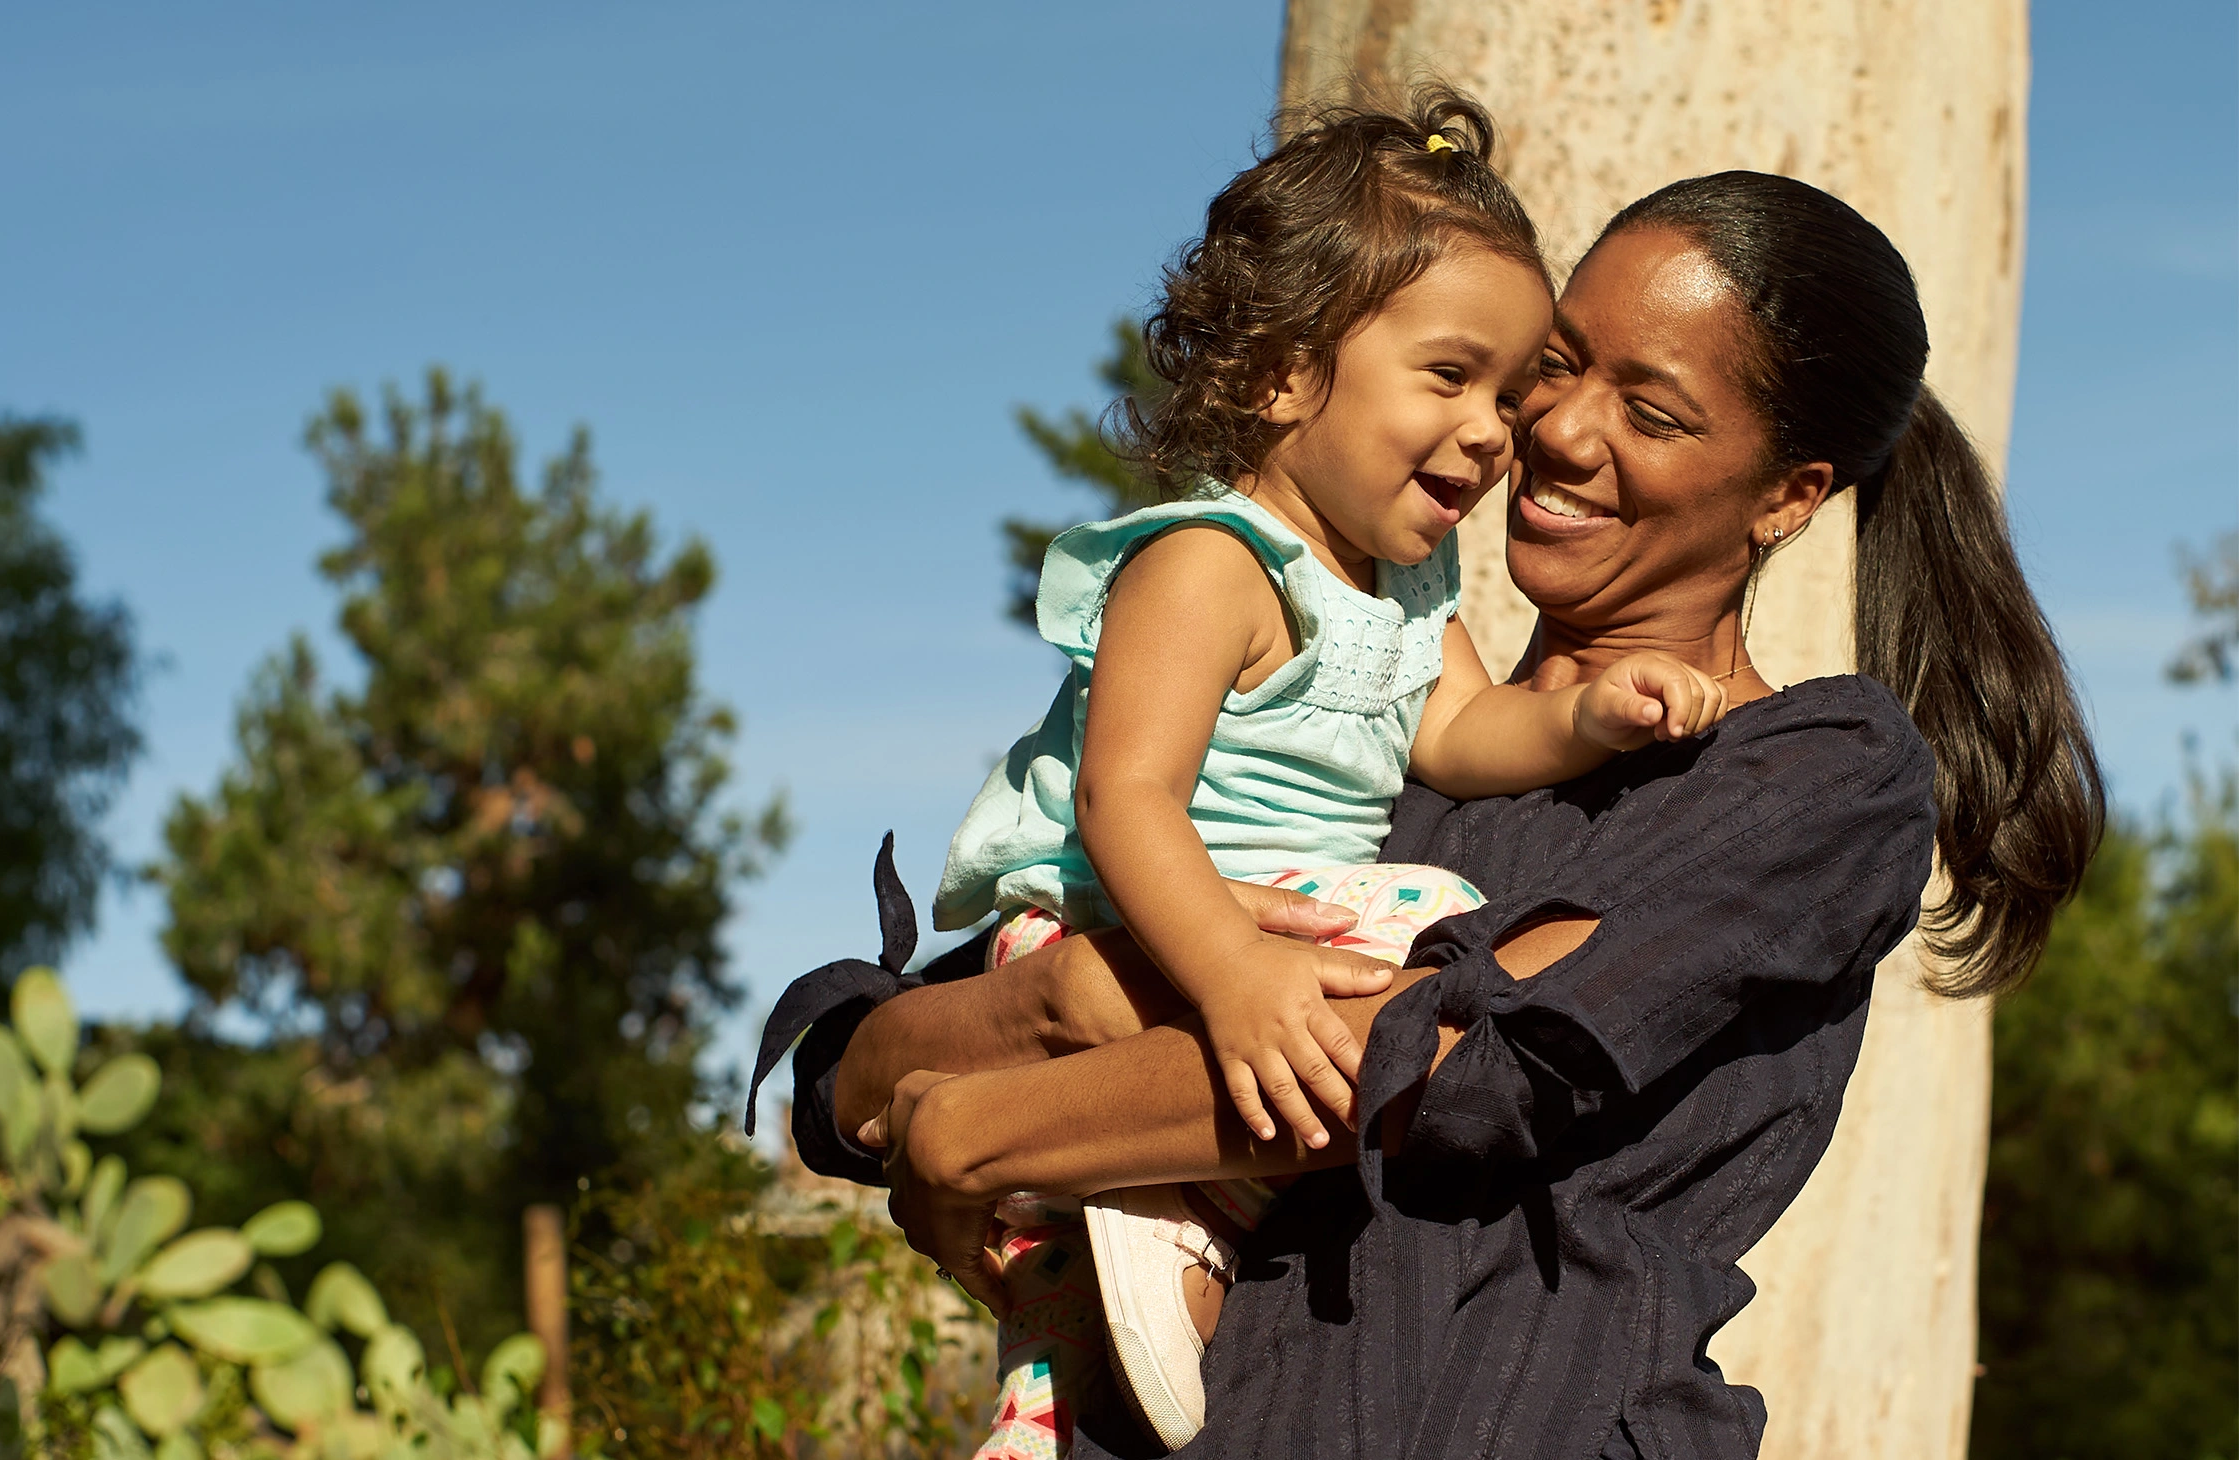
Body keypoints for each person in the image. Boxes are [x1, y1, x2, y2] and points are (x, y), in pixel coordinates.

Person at [748, 168, 2102, 1458]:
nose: (1558, 430)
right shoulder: (1348, 728)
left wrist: (975, 1129)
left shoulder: (1816, 773)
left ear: (1789, 497)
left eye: (1656, 410)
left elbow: (1445, 1062)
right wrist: (1044, 1015)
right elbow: (849, 1073)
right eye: (1558, 365)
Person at [919, 87, 1725, 1455]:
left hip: (1251, 933)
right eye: (1449, 375)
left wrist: (1592, 716)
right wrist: (1233, 979)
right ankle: (1157, 1215)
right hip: (1126, 924)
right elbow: (1125, 801)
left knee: (1419, 941)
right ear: (1285, 371)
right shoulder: (1209, 562)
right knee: (1416, 939)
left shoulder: (1409, 589)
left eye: (1509, 393)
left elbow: (1464, 734)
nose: (1495, 431)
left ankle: (1070, 1362)